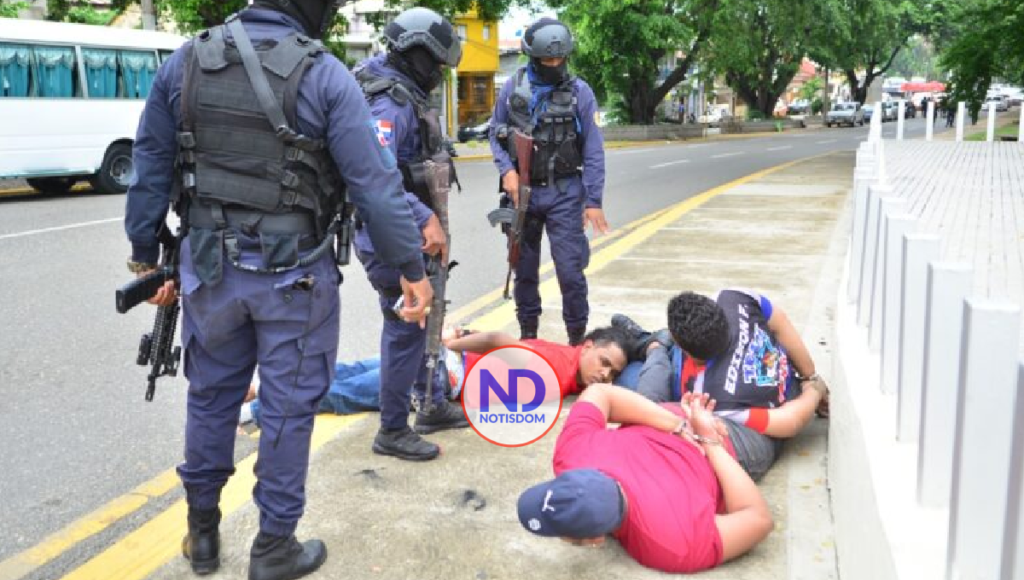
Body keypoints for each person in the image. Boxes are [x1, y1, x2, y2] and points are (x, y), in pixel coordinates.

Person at [124, 1, 434, 578]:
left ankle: (202, 534)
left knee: (211, 397)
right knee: (289, 408)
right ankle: (273, 547)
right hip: (296, 275)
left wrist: (146, 255)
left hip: (210, 268)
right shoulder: (325, 74)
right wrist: (411, 269)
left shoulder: (186, 60)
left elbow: (150, 163)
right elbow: (374, 184)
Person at [350, 7, 470, 462]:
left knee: (421, 320)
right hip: (394, 232)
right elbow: (374, 176)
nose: (438, 71)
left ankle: (431, 403)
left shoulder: (391, 87)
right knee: (406, 324)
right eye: (435, 61)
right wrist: (422, 216)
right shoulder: (390, 102)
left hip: (403, 227)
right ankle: (393, 429)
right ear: (417, 54)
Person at [516, 385, 774, 573]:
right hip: (686, 423)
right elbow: (599, 392)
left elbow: (758, 519)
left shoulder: (669, 543)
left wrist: (689, 429)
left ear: (595, 540)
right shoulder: (571, 455)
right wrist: (699, 432)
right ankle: (656, 345)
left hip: (712, 435)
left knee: (782, 416)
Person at [611, 289, 829, 481]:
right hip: (787, 387)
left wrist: (813, 392)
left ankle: (651, 342)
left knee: (631, 377)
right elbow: (781, 322)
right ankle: (648, 341)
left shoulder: (714, 398)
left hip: (764, 409)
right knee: (658, 358)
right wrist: (811, 378)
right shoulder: (735, 298)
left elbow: (789, 422)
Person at [488, 18, 608, 346]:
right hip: (523, 192)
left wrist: (593, 201)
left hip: (565, 192)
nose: (554, 64)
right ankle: (528, 336)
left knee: (570, 271)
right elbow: (495, 132)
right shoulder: (513, 88)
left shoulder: (580, 92)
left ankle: (576, 340)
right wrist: (507, 171)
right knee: (524, 269)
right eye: (547, 59)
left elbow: (594, 150)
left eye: (559, 59)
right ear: (533, 57)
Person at [244, 325, 632, 425]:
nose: (604, 375)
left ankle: (262, 384)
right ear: (587, 345)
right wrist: (451, 343)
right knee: (348, 393)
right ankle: (255, 408)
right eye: (603, 361)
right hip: (445, 374)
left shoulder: (564, 355)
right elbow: (499, 340)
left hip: (445, 362)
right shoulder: (560, 369)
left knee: (353, 371)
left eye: (612, 373)